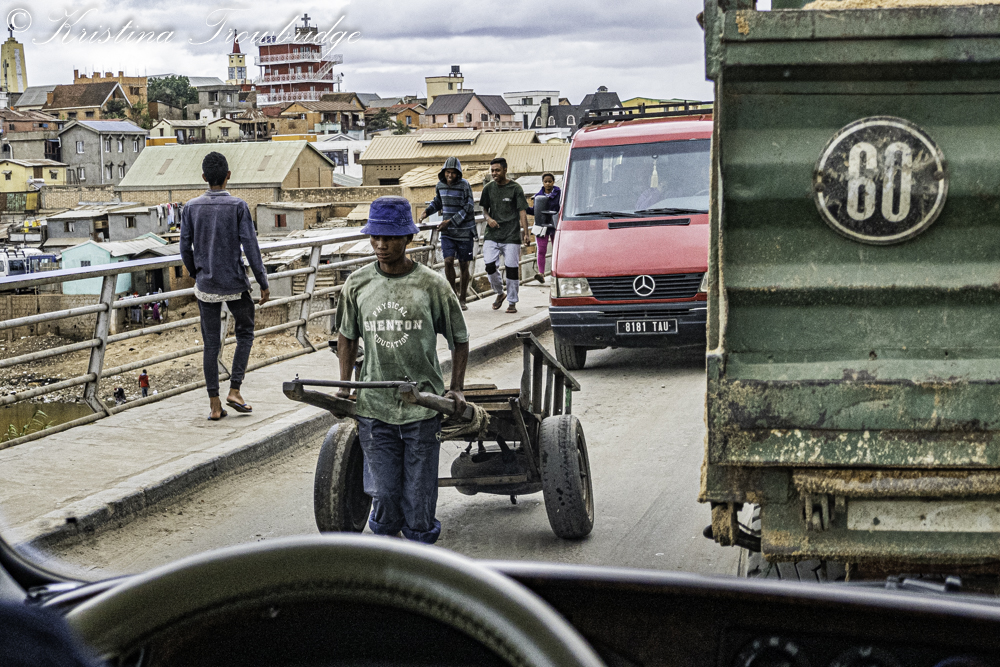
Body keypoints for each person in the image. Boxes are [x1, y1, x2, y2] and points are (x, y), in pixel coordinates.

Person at [335, 196, 470, 543]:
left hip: (422, 407)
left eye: (391, 238)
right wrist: (345, 384)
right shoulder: (357, 284)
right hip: (374, 407)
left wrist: (456, 387)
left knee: (418, 499)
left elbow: (459, 339)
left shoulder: (431, 285)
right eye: (376, 237)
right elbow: (346, 337)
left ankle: (419, 554)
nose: (381, 245)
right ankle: (387, 555)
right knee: (382, 493)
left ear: (409, 238)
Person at [180, 151, 270, 421]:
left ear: (204, 177)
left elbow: (184, 247)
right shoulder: (238, 206)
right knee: (245, 333)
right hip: (234, 282)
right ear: (228, 175)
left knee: (211, 344)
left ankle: (214, 405)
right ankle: (235, 390)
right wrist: (263, 282)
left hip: (206, 284)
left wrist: (196, 272)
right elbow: (251, 248)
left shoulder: (190, 207)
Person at [417, 157, 476, 311]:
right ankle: (453, 296)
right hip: (448, 232)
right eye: (448, 172)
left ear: (458, 173)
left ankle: (463, 298)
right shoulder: (440, 185)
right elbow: (438, 202)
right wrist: (426, 212)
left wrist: (450, 222)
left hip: (464, 231)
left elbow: (468, 207)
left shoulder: (465, 185)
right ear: (443, 172)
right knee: (448, 261)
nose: (450, 175)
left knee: (464, 264)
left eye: (453, 173)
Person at [479, 157, 530, 314]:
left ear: (505, 170)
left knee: (511, 268)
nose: (494, 173)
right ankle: (500, 292)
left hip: (511, 235)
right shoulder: (488, 188)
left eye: (497, 170)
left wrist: (526, 233)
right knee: (489, 265)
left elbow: (522, 212)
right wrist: (488, 219)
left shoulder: (515, 188)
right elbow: (484, 209)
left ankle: (512, 301)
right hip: (492, 234)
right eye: (492, 171)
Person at [526, 172, 561, 284]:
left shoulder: (559, 194)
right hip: (542, 224)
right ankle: (541, 273)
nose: (548, 184)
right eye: (545, 181)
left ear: (553, 182)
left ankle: (558, 271)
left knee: (558, 249)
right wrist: (525, 207)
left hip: (555, 224)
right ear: (542, 183)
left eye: (550, 181)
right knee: (541, 250)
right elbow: (536, 211)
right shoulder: (538, 196)